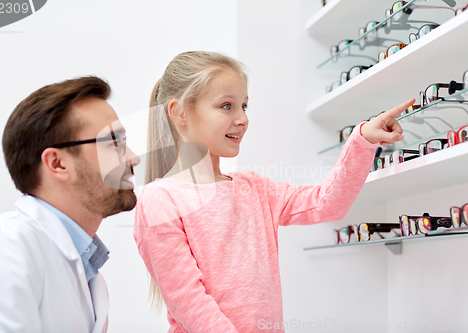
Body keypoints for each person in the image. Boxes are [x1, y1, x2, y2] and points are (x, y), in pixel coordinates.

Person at [133, 51, 414, 333]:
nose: (242, 118)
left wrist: (362, 139)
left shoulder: (253, 189)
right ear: (179, 112)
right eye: (226, 106)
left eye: (244, 106)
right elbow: (190, 304)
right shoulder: (159, 199)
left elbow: (326, 204)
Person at [0, 76, 140, 333]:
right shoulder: (4, 245)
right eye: (114, 143)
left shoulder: (90, 274)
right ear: (58, 164)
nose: (133, 158)